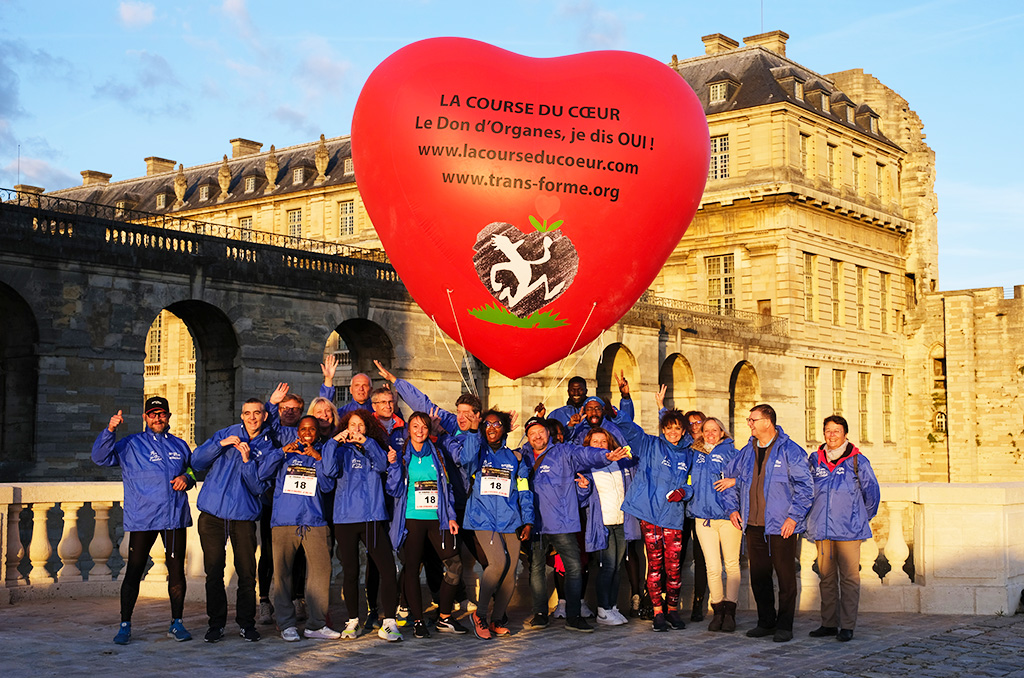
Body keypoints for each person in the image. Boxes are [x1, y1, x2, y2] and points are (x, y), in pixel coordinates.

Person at [91, 396, 194, 645]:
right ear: (145, 418)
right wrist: (110, 430)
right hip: (143, 518)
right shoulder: (131, 444)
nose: (157, 418)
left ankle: (176, 622)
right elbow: (100, 458)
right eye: (152, 414)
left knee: (177, 571)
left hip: (173, 518)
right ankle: (125, 624)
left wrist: (187, 479)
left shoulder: (180, 445)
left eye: (162, 414)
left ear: (168, 417)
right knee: (134, 570)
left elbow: (191, 470)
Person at [522, 415, 628, 633]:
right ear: (527, 438)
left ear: (548, 434)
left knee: (574, 568)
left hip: (562, 522)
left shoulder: (563, 452)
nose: (537, 437)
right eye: (532, 434)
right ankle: (540, 613)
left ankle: (573, 615)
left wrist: (605, 455)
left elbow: (585, 453)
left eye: (540, 432)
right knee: (536, 569)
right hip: (535, 522)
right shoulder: (522, 456)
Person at [724, 404, 814, 643]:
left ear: (768, 422)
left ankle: (785, 625)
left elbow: (806, 488)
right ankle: (766, 622)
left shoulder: (790, 451)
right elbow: (728, 479)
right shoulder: (746, 451)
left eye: (753, 419)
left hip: (781, 525)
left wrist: (793, 517)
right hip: (753, 525)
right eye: (749, 420)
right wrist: (732, 508)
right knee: (759, 577)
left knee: (785, 577)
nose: (749, 423)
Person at [191, 398, 278, 643]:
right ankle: (216, 624)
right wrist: (220, 445)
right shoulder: (226, 434)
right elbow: (196, 462)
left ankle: (246, 624)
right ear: (242, 416)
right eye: (247, 413)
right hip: (213, 515)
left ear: (264, 416)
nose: (252, 418)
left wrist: (248, 461)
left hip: (243, 517)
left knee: (247, 574)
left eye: (257, 413)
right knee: (214, 572)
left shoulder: (268, 447)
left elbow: (259, 486)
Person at [610, 375, 693, 632]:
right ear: (663, 429)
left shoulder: (689, 454)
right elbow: (628, 428)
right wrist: (624, 399)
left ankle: (673, 610)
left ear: (683, 431)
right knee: (655, 566)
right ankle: (657, 611)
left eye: (677, 429)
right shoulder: (650, 445)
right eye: (668, 428)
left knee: (673, 566)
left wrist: (684, 491)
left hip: (672, 516)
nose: (672, 433)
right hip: (649, 514)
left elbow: (693, 484)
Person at [321, 409, 403, 642]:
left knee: (387, 569)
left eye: (361, 426)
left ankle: (388, 622)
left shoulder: (374, 447)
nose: (356, 429)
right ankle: (353, 620)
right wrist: (334, 442)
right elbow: (328, 470)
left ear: (368, 428)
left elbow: (381, 465)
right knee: (350, 572)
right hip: (345, 519)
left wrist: (366, 442)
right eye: (352, 425)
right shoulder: (339, 451)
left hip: (373, 517)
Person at [387, 411, 469, 638]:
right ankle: (418, 620)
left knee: (455, 564)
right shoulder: (403, 456)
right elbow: (393, 489)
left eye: (424, 426)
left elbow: (447, 489)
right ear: (409, 430)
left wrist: (451, 516)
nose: (420, 431)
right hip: (412, 519)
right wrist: (393, 466)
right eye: (415, 427)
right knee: (412, 568)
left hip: (437, 519)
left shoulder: (438, 455)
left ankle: (444, 616)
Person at [262, 415, 340, 641]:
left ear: (317, 432)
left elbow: (327, 485)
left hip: (314, 521)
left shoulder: (322, 453)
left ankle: (316, 624)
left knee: (320, 573)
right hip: (284, 522)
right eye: (304, 428)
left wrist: (318, 458)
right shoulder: (284, 454)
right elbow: (263, 473)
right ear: (298, 431)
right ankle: (286, 623)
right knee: (283, 574)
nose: (307, 432)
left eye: (312, 429)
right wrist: (281, 453)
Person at [458, 409, 534, 639]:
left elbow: (524, 491)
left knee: (511, 571)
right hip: (482, 518)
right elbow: (466, 460)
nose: (492, 428)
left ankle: (497, 618)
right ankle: (480, 615)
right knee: (497, 563)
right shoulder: (477, 453)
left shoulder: (516, 458)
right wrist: (473, 430)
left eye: (497, 424)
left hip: (511, 520)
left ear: (506, 429)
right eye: (487, 424)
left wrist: (528, 520)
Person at [806, 415, 881, 642]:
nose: (832, 435)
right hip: (823, 530)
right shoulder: (814, 461)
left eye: (836, 431)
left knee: (849, 579)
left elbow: (873, 494)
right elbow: (805, 490)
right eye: (828, 430)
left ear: (845, 434)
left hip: (849, 531)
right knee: (826, 578)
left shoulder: (858, 461)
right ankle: (828, 623)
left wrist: (858, 518)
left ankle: (847, 626)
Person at [579, 426, 639, 626]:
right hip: (602, 523)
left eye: (603, 441)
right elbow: (581, 498)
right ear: (588, 445)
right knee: (607, 567)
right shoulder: (587, 467)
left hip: (621, 521)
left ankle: (612, 607)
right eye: (594, 442)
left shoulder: (620, 464)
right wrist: (583, 488)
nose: (599, 445)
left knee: (617, 567)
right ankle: (603, 609)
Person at [687, 416, 741, 632]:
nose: (710, 434)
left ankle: (731, 611)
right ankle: (717, 609)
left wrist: (734, 481)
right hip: (704, 517)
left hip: (729, 517)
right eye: (706, 430)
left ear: (721, 432)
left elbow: (748, 475)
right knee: (713, 566)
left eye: (714, 430)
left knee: (732, 564)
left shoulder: (731, 452)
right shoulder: (694, 453)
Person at [681, 409, 710, 622]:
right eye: (689, 423)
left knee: (701, 558)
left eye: (698, 422)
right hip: (681, 508)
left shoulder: (710, 448)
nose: (694, 426)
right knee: (678, 555)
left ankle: (698, 602)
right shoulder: (681, 446)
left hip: (701, 507)